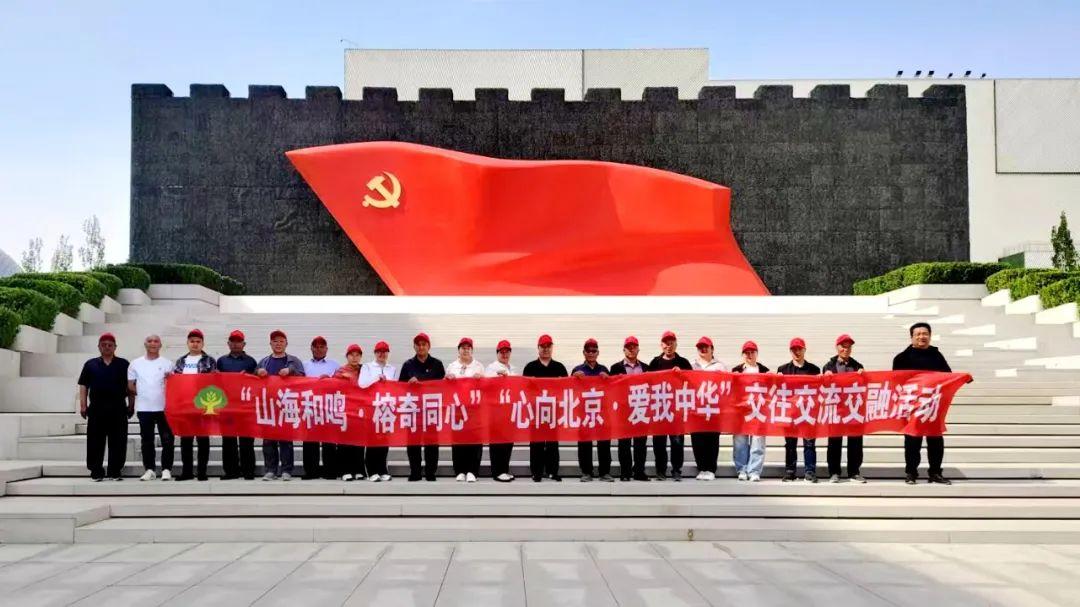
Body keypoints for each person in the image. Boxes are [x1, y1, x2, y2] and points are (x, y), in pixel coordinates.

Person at [893, 322, 954, 485]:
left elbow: (948, 376)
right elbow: (896, 382)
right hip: (912, 406)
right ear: (911, 337)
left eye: (925, 333)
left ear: (930, 336)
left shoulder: (937, 356)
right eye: (918, 334)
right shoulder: (901, 358)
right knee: (912, 441)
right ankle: (911, 473)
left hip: (933, 405)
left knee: (936, 440)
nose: (922, 336)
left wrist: (963, 378)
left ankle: (935, 473)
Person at [78, 333, 133, 481]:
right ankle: (96, 470)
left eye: (110, 345)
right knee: (95, 440)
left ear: (115, 347)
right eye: (104, 345)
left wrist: (131, 405)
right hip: (97, 408)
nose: (107, 347)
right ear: (99, 347)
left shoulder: (124, 364)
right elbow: (83, 385)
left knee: (118, 440)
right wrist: (83, 405)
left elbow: (130, 387)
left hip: (118, 407)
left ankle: (115, 470)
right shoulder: (90, 364)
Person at [257, 329, 305, 481]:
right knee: (268, 441)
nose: (278, 344)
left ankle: (286, 470)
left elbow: (303, 377)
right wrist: (258, 372)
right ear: (270, 344)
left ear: (286, 344)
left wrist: (290, 371)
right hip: (269, 406)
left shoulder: (294, 361)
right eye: (275, 341)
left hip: (286, 405)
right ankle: (270, 470)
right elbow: (253, 379)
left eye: (281, 341)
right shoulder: (264, 362)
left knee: (286, 440)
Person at [127, 334, 175, 481]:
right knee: (147, 440)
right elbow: (130, 385)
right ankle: (149, 469)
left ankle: (166, 469)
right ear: (145, 344)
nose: (153, 343)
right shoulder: (135, 363)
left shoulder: (168, 363)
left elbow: (174, 385)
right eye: (150, 341)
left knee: (167, 439)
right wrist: (143, 394)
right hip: (144, 408)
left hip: (164, 408)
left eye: (156, 341)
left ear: (160, 345)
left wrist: (169, 378)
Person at [399, 333, 444, 481]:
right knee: (413, 442)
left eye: (424, 344)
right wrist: (408, 384)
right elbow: (399, 388)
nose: (421, 347)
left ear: (429, 346)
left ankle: (431, 472)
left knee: (432, 442)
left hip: (431, 409)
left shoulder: (437, 364)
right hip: (413, 410)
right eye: (418, 344)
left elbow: (444, 387)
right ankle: (415, 472)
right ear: (414, 347)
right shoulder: (408, 365)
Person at [523, 334, 568, 482]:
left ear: (552, 348)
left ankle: (552, 471)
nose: (546, 349)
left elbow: (566, 389)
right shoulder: (530, 367)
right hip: (536, 410)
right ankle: (536, 472)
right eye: (543, 346)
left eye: (548, 346)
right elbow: (524, 389)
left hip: (553, 411)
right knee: (536, 442)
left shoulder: (559, 367)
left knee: (552, 443)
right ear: (538, 348)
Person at [648, 331, 692, 481]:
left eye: (671, 343)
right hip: (659, 408)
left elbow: (693, 382)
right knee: (659, 442)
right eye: (666, 343)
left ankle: (676, 470)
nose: (668, 346)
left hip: (677, 409)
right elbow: (647, 382)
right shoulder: (655, 363)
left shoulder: (683, 363)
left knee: (677, 442)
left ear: (676, 344)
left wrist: (683, 374)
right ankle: (660, 470)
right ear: (661, 345)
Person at [823, 333, 866, 484]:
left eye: (849, 347)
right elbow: (823, 387)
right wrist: (826, 376)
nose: (846, 349)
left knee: (855, 441)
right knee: (834, 442)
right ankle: (834, 472)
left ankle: (854, 472)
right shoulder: (829, 366)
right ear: (837, 347)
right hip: (836, 409)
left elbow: (864, 386)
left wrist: (863, 375)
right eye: (843, 346)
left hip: (853, 409)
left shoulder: (858, 366)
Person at [173, 329, 216, 481]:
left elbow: (214, 383)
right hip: (185, 405)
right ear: (187, 343)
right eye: (192, 341)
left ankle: (202, 472)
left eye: (198, 341)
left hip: (203, 405)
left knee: (203, 440)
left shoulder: (209, 360)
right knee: (186, 440)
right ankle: (187, 472)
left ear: (202, 343)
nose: (195, 344)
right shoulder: (181, 361)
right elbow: (176, 384)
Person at [777, 337, 820, 483]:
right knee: (790, 444)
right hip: (790, 413)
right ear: (790, 351)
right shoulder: (782, 370)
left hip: (807, 412)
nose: (797, 352)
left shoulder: (814, 370)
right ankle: (790, 471)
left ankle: (810, 471)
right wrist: (775, 379)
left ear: (804, 350)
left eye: (799, 349)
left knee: (809, 443)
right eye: (794, 349)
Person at [216, 330, 258, 480]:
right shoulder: (221, 361)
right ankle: (231, 471)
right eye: (232, 341)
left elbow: (256, 383)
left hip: (245, 406)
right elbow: (216, 381)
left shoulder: (251, 361)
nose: (235, 344)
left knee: (247, 440)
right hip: (227, 406)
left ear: (243, 344)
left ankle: (248, 471)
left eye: (238, 341)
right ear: (228, 344)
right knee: (228, 440)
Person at [572, 338, 613, 482]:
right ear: (583, 352)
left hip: (601, 412)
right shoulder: (577, 370)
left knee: (604, 443)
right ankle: (586, 472)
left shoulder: (604, 369)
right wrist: (573, 378)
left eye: (593, 351)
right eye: (588, 351)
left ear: (598, 353)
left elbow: (611, 390)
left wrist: (608, 379)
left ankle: (604, 472)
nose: (591, 353)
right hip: (584, 412)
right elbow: (570, 390)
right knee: (584, 443)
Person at [610, 336, 650, 482]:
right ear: (624, 350)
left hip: (641, 408)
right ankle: (625, 472)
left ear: (638, 349)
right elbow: (610, 389)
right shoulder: (615, 368)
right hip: (623, 410)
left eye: (634, 347)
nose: (631, 350)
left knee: (641, 443)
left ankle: (639, 471)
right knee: (624, 443)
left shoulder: (646, 368)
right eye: (629, 347)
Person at [446, 337, 485, 483]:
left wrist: (481, 379)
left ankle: (473, 471)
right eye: (463, 348)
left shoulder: (479, 366)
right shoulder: (452, 366)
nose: (466, 350)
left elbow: (486, 387)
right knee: (458, 440)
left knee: (475, 440)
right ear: (459, 350)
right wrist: (447, 379)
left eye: (468, 348)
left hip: (474, 409)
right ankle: (460, 470)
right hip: (457, 409)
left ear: (472, 350)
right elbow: (445, 388)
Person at [359, 341, 398, 482]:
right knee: (372, 440)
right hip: (372, 408)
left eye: (384, 352)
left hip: (386, 408)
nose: (382, 354)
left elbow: (396, 387)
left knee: (384, 441)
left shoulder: (392, 369)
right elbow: (362, 384)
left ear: (388, 353)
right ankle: (372, 471)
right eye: (379, 352)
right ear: (375, 353)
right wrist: (377, 379)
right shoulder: (367, 367)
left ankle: (382, 470)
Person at [303, 336, 340, 480]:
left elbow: (341, 382)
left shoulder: (335, 364)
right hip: (310, 406)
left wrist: (331, 380)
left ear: (326, 349)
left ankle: (330, 471)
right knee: (310, 440)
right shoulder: (304, 365)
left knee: (329, 441)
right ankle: (311, 471)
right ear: (311, 348)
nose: (319, 349)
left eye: (322, 347)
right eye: (316, 347)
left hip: (328, 407)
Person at [690, 336, 727, 481]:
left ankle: (711, 469)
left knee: (712, 439)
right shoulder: (691, 366)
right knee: (697, 439)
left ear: (712, 349)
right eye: (700, 347)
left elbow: (726, 386)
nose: (703, 349)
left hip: (713, 408)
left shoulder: (720, 366)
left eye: (706, 347)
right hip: (696, 408)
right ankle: (702, 468)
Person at [732, 340, 769, 482]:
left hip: (758, 411)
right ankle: (742, 469)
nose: (749, 355)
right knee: (740, 442)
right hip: (741, 412)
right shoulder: (736, 371)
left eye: (752, 352)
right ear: (742, 355)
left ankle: (754, 471)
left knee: (758, 442)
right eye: (746, 353)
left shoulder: (764, 371)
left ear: (756, 354)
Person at [485, 339, 517, 482]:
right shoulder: (491, 368)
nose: (504, 354)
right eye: (502, 352)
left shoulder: (513, 369)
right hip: (496, 410)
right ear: (497, 353)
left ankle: (504, 469)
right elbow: (485, 385)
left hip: (509, 410)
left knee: (508, 442)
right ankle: (497, 471)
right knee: (497, 442)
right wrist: (496, 378)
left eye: (507, 352)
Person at [334, 343, 367, 481]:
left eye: (357, 355)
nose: (354, 358)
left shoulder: (365, 370)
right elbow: (332, 385)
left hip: (360, 410)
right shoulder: (340, 371)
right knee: (344, 442)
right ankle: (344, 470)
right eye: (352, 355)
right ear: (347, 356)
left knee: (359, 442)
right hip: (345, 411)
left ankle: (359, 470)